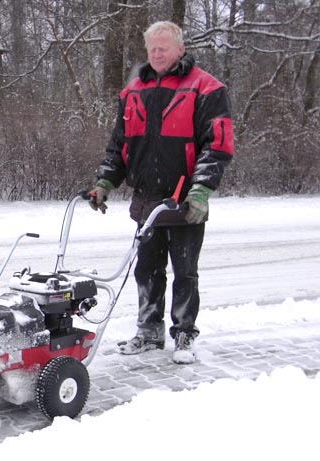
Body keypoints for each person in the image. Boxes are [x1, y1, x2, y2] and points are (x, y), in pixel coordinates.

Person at [89, 20, 234, 364]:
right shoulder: (133, 91)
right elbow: (120, 145)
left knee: (185, 271)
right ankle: (148, 332)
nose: (156, 54)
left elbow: (217, 145)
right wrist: (104, 182)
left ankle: (183, 335)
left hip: (185, 198)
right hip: (146, 197)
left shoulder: (206, 88)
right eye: (152, 48)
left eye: (163, 48)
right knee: (147, 270)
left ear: (180, 49)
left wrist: (200, 191)